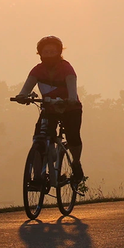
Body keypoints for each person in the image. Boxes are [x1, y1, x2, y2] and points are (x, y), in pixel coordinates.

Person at [13, 36, 85, 181]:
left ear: (59, 52)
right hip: (49, 110)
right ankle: (38, 176)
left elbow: (72, 86)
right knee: (40, 138)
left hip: (70, 108)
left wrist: (71, 99)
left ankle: (76, 163)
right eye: (45, 52)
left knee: (73, 137)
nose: (49, 55)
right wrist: (22, 96)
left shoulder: (66, 68)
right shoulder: (37, 70)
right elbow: (26, 87)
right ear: (40, 54)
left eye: (52, 51)